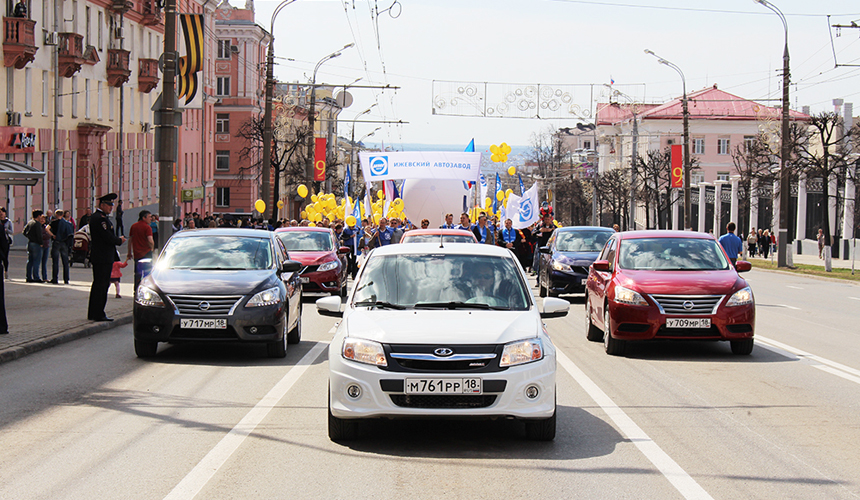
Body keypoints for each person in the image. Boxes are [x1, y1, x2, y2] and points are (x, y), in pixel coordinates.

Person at [87, 193, 126, 322]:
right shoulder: (99, 219)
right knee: (101, 285)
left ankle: (94, 312)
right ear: (102, 205)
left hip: (103, 256)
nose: (111, 207)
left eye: (112, 205)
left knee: (99, 284)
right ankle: (98, 313)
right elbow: (107, 237)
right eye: (109, 205)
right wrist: (119, 240)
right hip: (102, 257)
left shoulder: (100, 217)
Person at [127, 210, 154, 292]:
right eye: (149, 217)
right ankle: (146, 290)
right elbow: (150, 240)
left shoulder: (133, 226)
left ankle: (136, 290)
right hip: (146, 253)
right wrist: (152, 248)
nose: (151, 219)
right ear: (144, 217)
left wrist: (129, 252)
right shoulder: (147, 227)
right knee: (147, 273)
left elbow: (130, 240)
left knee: (137, 274)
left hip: (137, 254)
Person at [50, 209, 74, 284]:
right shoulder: (68, 224)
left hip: (56, 242)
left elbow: (46, 228)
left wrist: (53, 235)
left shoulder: (54, 222)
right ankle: (66, 279)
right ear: (63, 214)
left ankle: (55, 278)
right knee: (65, 262)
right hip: (64, 243)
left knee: (55, 262)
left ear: (56, 215)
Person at [531, 208, 555, 275]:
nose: (547, 221)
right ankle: (538, 279)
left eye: (548, 219)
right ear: (544, 220)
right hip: (541, 247)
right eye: (546, 219)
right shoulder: (540, 226)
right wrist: (540, 231)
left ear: (551, 219)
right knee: (539, 264)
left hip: (550, 248)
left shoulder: (553, 227)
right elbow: (533, 233)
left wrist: (549, 230)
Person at [23, 210, 45, 282]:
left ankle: (28, 277)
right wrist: (41, 243)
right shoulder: (37, 224)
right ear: (38, 216)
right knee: (36, 261)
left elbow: (24, 232)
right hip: (36, 244)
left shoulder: (30, 222)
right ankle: (36, 277)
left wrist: (29, 237)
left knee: (30, 261)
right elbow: (39, 235)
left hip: (30, 243)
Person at [0, 207, 11, 280]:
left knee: (5, 258)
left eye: (2, 212)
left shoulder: (8, 221)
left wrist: (6, 230)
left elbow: (12, 231)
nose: (1, 213)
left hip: (6, 241)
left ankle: (6, 272)